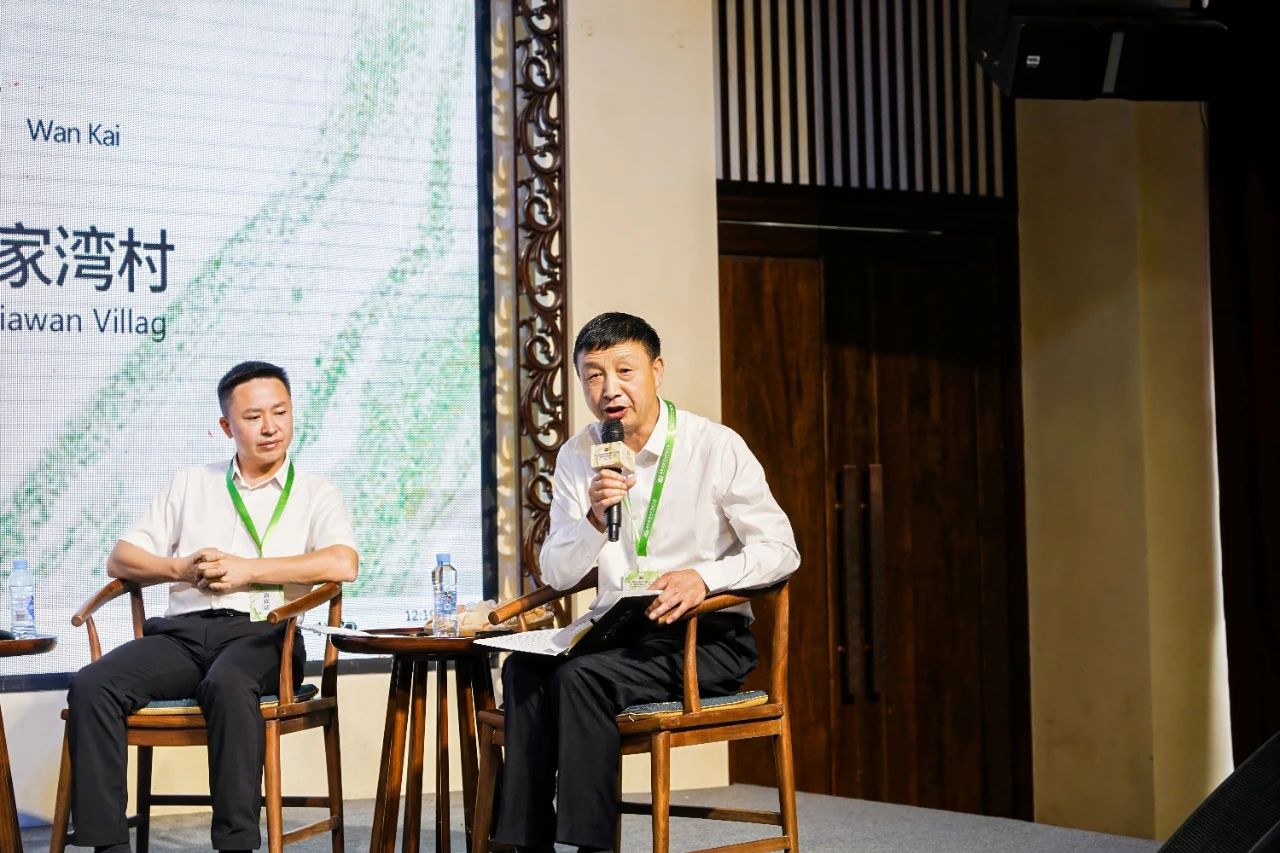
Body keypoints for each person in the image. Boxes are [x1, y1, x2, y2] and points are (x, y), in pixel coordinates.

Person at [494, 312, 800, 852]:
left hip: (703, 636)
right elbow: (558, 573)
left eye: (624, 371)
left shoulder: (714, 446)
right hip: (620, 631)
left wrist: (704, 578)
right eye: (593, 375)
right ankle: (526, 844)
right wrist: (593, 520)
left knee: (581, 679)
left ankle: (592, 847)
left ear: (657, 371)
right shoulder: (578, 456)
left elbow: (781, 550)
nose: (609, 389)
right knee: (523, 670)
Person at [65, 361, 359, 853]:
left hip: (266, 633)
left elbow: (343, 563)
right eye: (253, 417)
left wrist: (248, 570)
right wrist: (180, 569)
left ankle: (235, 843)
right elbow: (121, 558)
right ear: (227, 426)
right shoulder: (191, 483)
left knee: (226, 684)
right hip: (181, 637)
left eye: (280, 412)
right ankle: (108, 846)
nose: (270, 427)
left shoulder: (316, 492)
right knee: (93, 685)